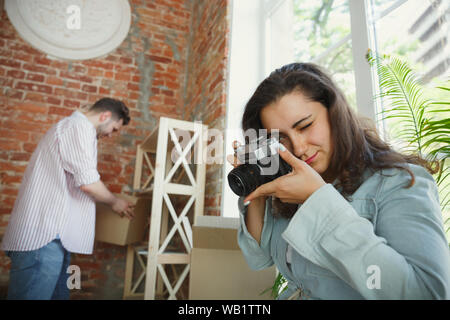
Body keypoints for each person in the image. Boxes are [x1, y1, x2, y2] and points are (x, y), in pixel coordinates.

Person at [228, 62, 450, 299]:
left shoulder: (398, 182)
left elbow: (427, 293)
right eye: (281, 139)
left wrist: (318, 199)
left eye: (305, 125)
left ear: (334, 113)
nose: (299, 148)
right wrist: (257, 188)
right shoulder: (292, 184)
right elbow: (258, 258)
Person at [1, 97, 135, 300]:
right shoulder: (78, 127)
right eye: (114, 129)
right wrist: (115, 202)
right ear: (105, 115)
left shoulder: (79, 130)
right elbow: (88, 182)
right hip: (44, 238)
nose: (110, 135)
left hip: (55, 238)